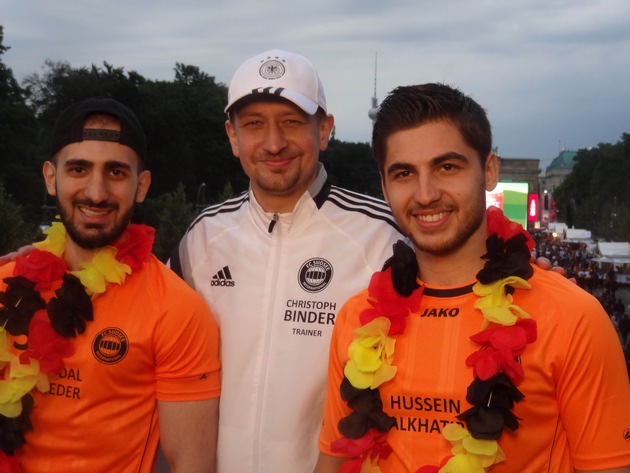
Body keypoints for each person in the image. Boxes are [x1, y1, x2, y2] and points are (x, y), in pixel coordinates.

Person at [314, 84, 630, 472]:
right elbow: (335, 459)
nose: (425, 194)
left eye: (447, 167)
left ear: (489, 171)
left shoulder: (574, 318)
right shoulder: (356, 318)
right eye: (404, 173)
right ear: (384, 186)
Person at [168, 49, 403, 473]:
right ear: (232, 136)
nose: (274, 143)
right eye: (254, 124)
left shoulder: (384, 237)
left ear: (324, 130)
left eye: (292, 122)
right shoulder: (200, 240)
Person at [0, 98, 221, 472]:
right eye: (79, 169)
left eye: (116, 172)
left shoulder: (178, 310)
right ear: (51, 178)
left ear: (141, 185)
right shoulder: (8, 282)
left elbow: (191, 463)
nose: (96, 193)